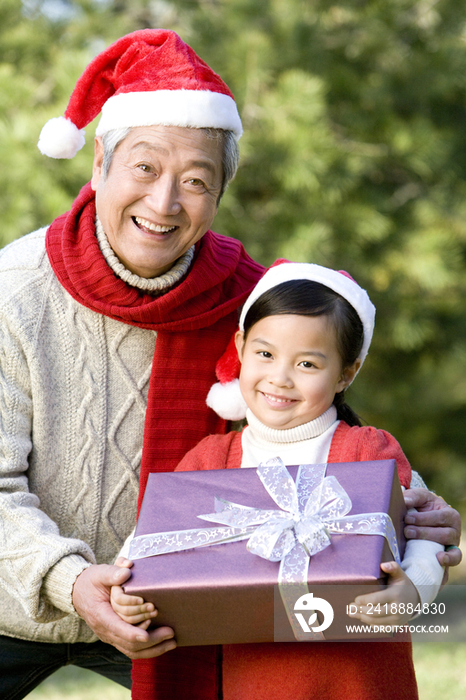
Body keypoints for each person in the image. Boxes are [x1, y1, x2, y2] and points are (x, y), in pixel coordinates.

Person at [0, 27, 460, 700]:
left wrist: (412, 513)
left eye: (195, 181)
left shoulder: (255, 308)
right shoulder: (13, 293)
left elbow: (326, 446)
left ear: (220, 194)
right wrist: (67, 581)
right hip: (16, 594)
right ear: (99, 163)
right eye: (146, 169)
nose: (164, 204)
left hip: (181, 614)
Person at [112, 262, 446, 700]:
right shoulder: (211, 459)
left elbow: (427, 531)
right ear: (241, 347)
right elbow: (151, 544)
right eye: (265, 354)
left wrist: (413, 590)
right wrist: (126, 593)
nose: (280, 377)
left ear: (346, 373)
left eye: (307, 363)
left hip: (360, 681)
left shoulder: (367, 451)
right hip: (255, 679)